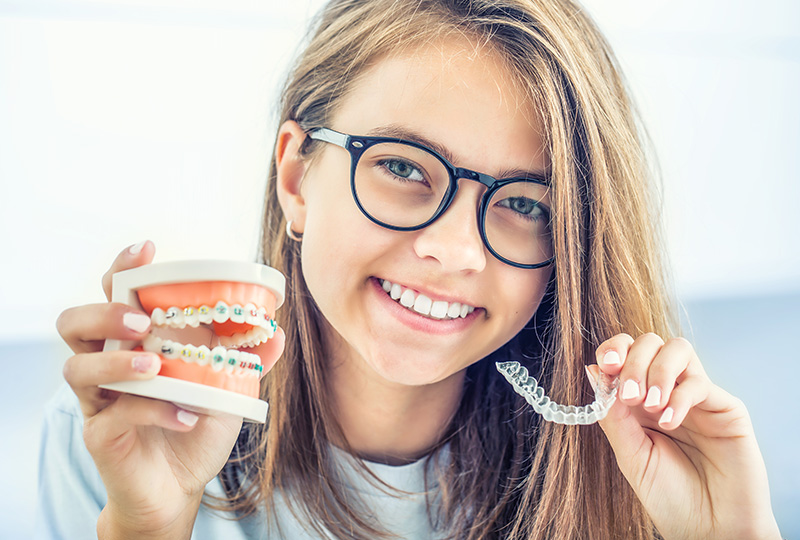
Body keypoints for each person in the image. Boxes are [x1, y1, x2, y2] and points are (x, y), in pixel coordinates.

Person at [40, 0, 783, 539]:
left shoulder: (626, 477)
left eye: (526, 205)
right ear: (297, 178)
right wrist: (150, 526)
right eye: (402, 166)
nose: (456, 250)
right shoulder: (113, 436)